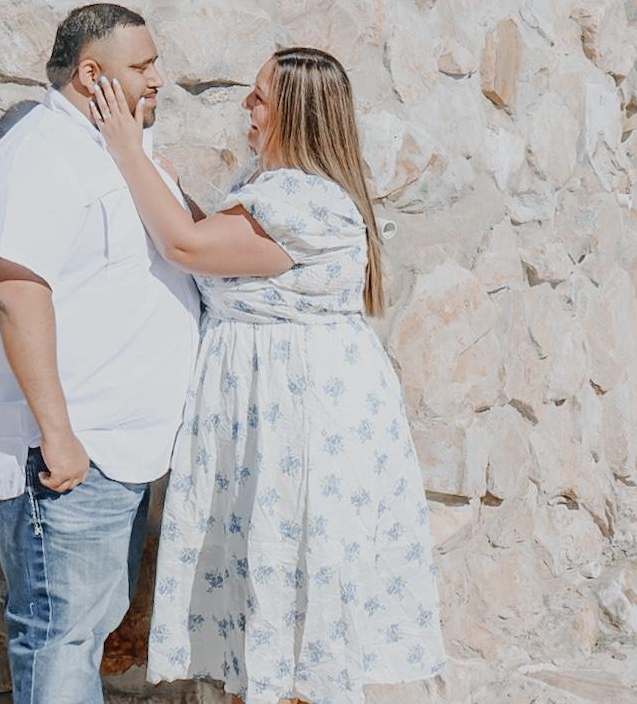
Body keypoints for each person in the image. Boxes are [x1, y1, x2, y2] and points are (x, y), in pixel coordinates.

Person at [90, 47, 448, 704]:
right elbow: (223, 251)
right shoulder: (274, 187)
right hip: (275, 414)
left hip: (296, 420)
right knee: (269, 592)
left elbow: (187, 247)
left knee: (291, 592)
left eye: (259, 96)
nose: (246, 106)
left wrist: (127, 151)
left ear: (294, 113)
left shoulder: (302, 198)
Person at [0, 4, 201, 702]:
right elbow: (17, 293)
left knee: (82, 635)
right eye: (141, 66)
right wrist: (58, 436)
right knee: (58, 638)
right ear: (92, 74)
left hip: (115, 454)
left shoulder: (114, 151)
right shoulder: (37, 158)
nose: (157, 79)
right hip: (67, 460)